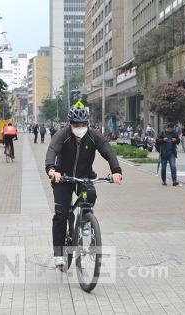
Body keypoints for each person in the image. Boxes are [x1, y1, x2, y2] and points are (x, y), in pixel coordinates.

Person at [45, 106, 122, 268]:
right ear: (70, 124)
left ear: (87, 124)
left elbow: (108, 151)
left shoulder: (94, 136)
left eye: (82, 125)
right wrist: (52, 169)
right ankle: (59, 253)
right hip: (63, 177)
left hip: (84, 177)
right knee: (61, 214)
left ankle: (85, 221)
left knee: (91, 194)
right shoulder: (63, 135)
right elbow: (52, 150)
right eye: (76, 125)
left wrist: (116, 170)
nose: (79, 129)